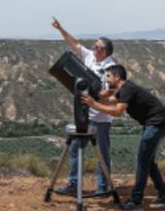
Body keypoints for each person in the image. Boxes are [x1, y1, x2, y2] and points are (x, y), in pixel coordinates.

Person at [81, 64, 165, 210]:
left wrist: (94, 104)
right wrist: (93, 96)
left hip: (157, 124)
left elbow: (117, 112)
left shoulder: (127, 89)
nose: (106, 79)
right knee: (148, 163)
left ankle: (136, 202)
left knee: (143, 162)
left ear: (117, 77)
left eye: (109, 76)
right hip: (158, 124)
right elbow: (108, 100)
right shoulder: (124, 90)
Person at [50, 16, 116, 195]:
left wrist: (97, 100)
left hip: (101, 117)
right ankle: (73, 184)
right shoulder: (90, 58)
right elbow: (76, 45)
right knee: (75, 149)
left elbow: (111, 93)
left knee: (101, 153)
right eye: (94, 46)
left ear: (106, 51)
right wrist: (60, 29)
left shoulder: (111, 68)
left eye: (98, 47)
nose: (94, 49)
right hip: (85, 115)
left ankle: (103, 186)